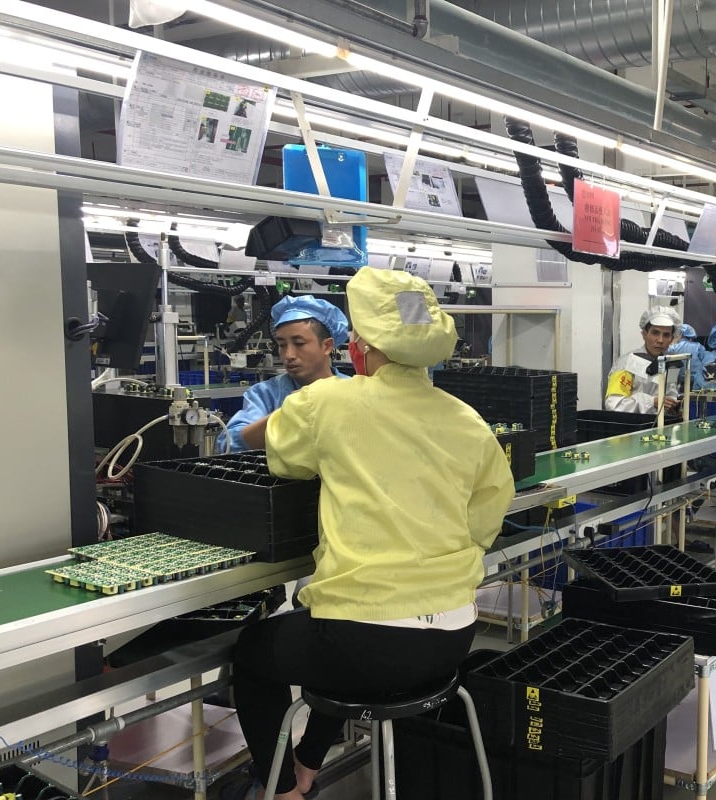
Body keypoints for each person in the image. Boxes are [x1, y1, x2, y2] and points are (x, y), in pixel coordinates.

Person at [229, 269, 515, 800]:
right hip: (453, 637)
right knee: (340, 639)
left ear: (361, 347)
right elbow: (485, 520)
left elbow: (285, 460)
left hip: (361, 643)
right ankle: (309, 764)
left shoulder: (327, 403)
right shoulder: (469, 421)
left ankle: (283, 786)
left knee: (258, 651)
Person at [217, 296, 350, 452]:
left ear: (327, 346)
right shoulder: (266, 394)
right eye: (281, 345)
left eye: (299, 343)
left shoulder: (350, 390)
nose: (289, 354)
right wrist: (289, 413)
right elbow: (227, 444)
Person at [606, 307, 681, 414]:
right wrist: (651, 402)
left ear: (671, 339)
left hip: (660, 426)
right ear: (644, 334)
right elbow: (613, 404)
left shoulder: (670, 364)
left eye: (666, 335)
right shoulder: (626, 364)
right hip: (632, 427)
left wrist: (674, 404)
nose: (660, 340)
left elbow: (671, 392)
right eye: (655, 333)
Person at [668, 324, 715, 390]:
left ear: (681, 334)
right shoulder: (698, 346)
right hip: (696, 382)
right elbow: (705, 361)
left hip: (678, 382)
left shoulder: (673, 347)